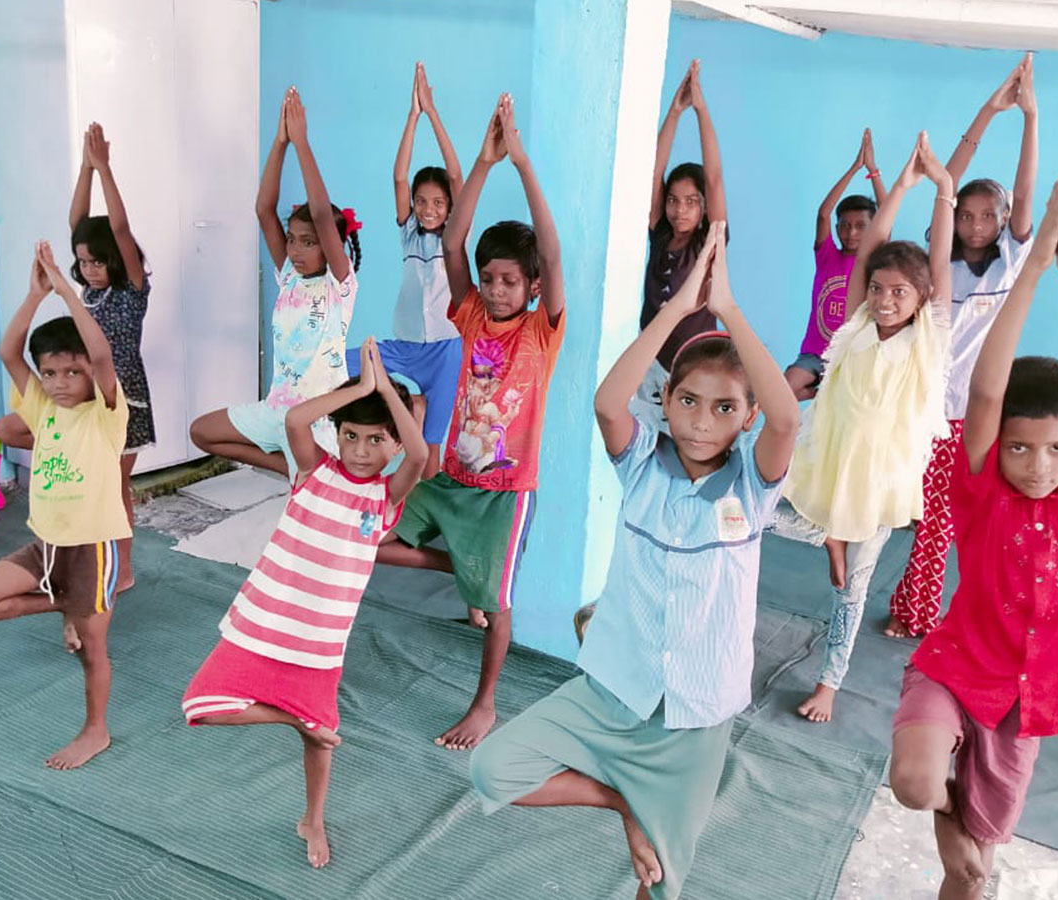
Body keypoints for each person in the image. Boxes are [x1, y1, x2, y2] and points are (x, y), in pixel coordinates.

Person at [471, 223, 800, 900]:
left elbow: (788, 421)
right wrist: (678, 311)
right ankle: (624, 801)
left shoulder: (753, 485)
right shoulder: (641, 467)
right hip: (612, 693)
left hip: (695, 715)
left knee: (662, 882)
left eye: (724, 409)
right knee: (493, 768)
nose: (702, 421)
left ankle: (646, 823)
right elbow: (605, 402)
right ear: (666, 403)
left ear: (746, 418)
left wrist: (729, 311)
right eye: (687, 401)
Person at [890, 178, 1058, 900]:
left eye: (1055, 449)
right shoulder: (983, 487)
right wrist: (1038, 271)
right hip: (958, 667)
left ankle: (964, 861)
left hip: (1030, 702)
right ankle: (953, 814)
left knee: (973, 873)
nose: (1038, 465)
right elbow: (985, 393)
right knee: (917, 781)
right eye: (1020, 449)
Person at [182, 339, 426, 870]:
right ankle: (292, 719)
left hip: (317, 648)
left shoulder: (384, 499)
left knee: (324, 743)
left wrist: (385, 390)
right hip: (260, 626)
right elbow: (295, 421)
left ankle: (312, 818)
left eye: (376, 439)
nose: (361, 450)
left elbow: (422, 455)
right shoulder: (312, 472)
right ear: (335, 435)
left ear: (392, 446)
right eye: (350, 436)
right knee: (201, 705)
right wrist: (358, 390)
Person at [379, 94, 564, 751]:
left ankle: (485, 704)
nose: (496, 288)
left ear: (533, 286)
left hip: (502, 498)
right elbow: (452, 239)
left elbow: (550, 249)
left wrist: (521, 163)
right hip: (451, 479)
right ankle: (464, 571)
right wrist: (483, 164)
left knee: (498, 609)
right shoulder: (467, 314)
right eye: (490, 279)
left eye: (511, 281)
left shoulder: (542, 332)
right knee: (369, 539)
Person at [773, 134, 955, 724]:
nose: (883, 300)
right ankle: (828, 535)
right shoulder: (852, 328)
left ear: (922, 298)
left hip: (876, 489)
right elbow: (873, 245)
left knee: (852, 593)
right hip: (822, 464)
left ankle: (829, 682)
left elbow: (939, 270)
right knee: (751, 515)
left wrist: (944, 194)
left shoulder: (927, 342)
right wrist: (899, 186)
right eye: (877, 288)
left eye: (899, 292)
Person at [0, 241, 130, 770]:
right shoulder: (42, 406)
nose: (59, 382)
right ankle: (67, 605)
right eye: (50, 373)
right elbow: (8, 352)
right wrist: (34, 295)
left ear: (90, 376)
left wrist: (68, 292)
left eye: (71, 373)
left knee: (93, 650)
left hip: (90, 547)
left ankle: (96, 730)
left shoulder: (106, 413)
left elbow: (101, 356)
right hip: (45, 546)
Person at [887, 53, 1040, 639]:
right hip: (925, 407)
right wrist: (985, 114)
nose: (976, 224)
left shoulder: (1008, 261)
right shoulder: (938, 268)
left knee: (945, 522)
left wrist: (1029, 117)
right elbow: (942, 191)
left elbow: (1025, 198)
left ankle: (920, 615)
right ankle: (913, 605)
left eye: (988, 216)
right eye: (967, 215)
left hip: (974, 414)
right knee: (929, 519)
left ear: (1002, 222)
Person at [0, 122, 152, 591]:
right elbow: (77, 224)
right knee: (6, 428)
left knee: (117, 487)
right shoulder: (86, 290)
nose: (88, 269)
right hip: (73, 405)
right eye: (82, 262)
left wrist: (105, 169)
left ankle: (120, 568)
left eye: (96, 261)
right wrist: (83, 168)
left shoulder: (131, 291)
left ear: (116, 261)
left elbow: (119, 229)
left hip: (116, 404)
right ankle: (65, 494)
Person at [190, 87, 361, 478]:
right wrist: (280, 141)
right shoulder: (290, 279)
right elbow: (263, 209)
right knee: (202, 432)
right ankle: (288, 465)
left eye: (309, 243)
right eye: (292, 240)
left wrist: (302, 143)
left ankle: (304, 468)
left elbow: (320, 213)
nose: (297, 251)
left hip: (317, 420)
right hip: (275, 410)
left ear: (332, 246)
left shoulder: (339, 286)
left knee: (311, 514)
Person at [342, 61, 464, 480]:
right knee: (347, 360)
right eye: (421, 201)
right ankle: (411, 401)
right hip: (407, 346)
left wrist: (433, 113)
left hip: (446, 350)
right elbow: (398, 175)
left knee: (429, 457)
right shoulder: (410, 235)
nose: (428, 209)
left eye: (438, 203)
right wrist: (412, 116)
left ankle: (413, 508)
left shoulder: (454, 241)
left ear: (450, 208)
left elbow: (456, 175)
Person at [630, 59, 728, 428]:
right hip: (650, 361)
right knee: (649, 441)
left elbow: (715, 178)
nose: (679, 209)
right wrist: (674, 112)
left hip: (695, 360)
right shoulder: (659, 234)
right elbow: (653, 171)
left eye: (690, 202)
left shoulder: (709, 241)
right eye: (673, 200)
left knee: (688, 442)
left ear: (703, 206)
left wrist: (700, 110)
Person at [786, 128, 887, 401]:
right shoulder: (827, 255)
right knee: (785, 389)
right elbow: (823, 213)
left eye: (860, 226)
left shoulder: (874, 259)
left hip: (854, 356)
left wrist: (873, 171)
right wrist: (855, 168)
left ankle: (834, 392)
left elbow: (887, 212)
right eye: (844, 226)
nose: (851, 233)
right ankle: (825, 393)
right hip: (815, 355)